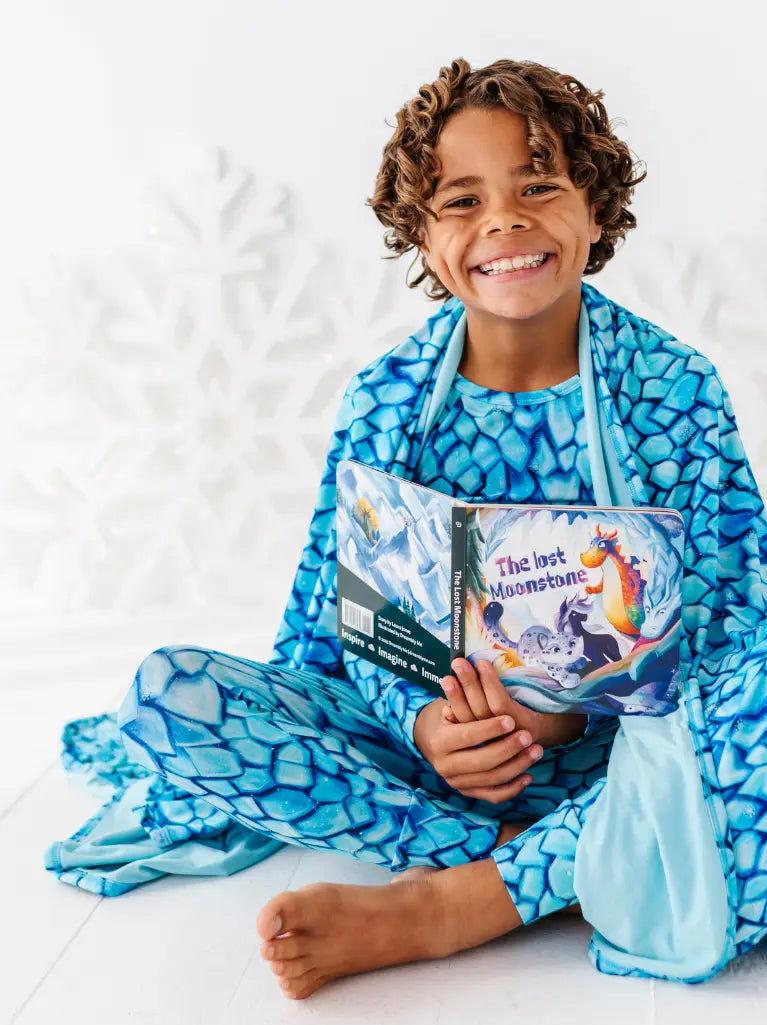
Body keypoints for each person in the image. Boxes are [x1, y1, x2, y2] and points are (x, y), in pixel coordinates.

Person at [119, 56, 650, 999]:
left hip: (629, 755)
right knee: (169, 695)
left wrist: (565, 711)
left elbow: (735, 609)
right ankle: (546, 864)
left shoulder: (667, 386)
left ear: (596, 206)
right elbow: (349, 618)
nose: (503, 221)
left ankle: (461, 903)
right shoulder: (386, 401)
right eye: (462, 200)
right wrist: (425, 723)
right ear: (419, 232)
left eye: (539, 185)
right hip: (426, 766)